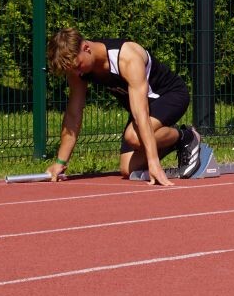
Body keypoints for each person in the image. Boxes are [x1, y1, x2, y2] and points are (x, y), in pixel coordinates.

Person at [45, 28, 201, 185]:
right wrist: (60, 162)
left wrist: (154, 163)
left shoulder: (127, 57)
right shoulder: (78, 68)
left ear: (86, 48)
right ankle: (172, 139)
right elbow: (74, 114)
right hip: (144, 106)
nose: (77, 74)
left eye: (78, 66)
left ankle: (186, 136)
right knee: (128, 168)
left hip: (171, 95)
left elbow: (141, 113)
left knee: (133, 136)